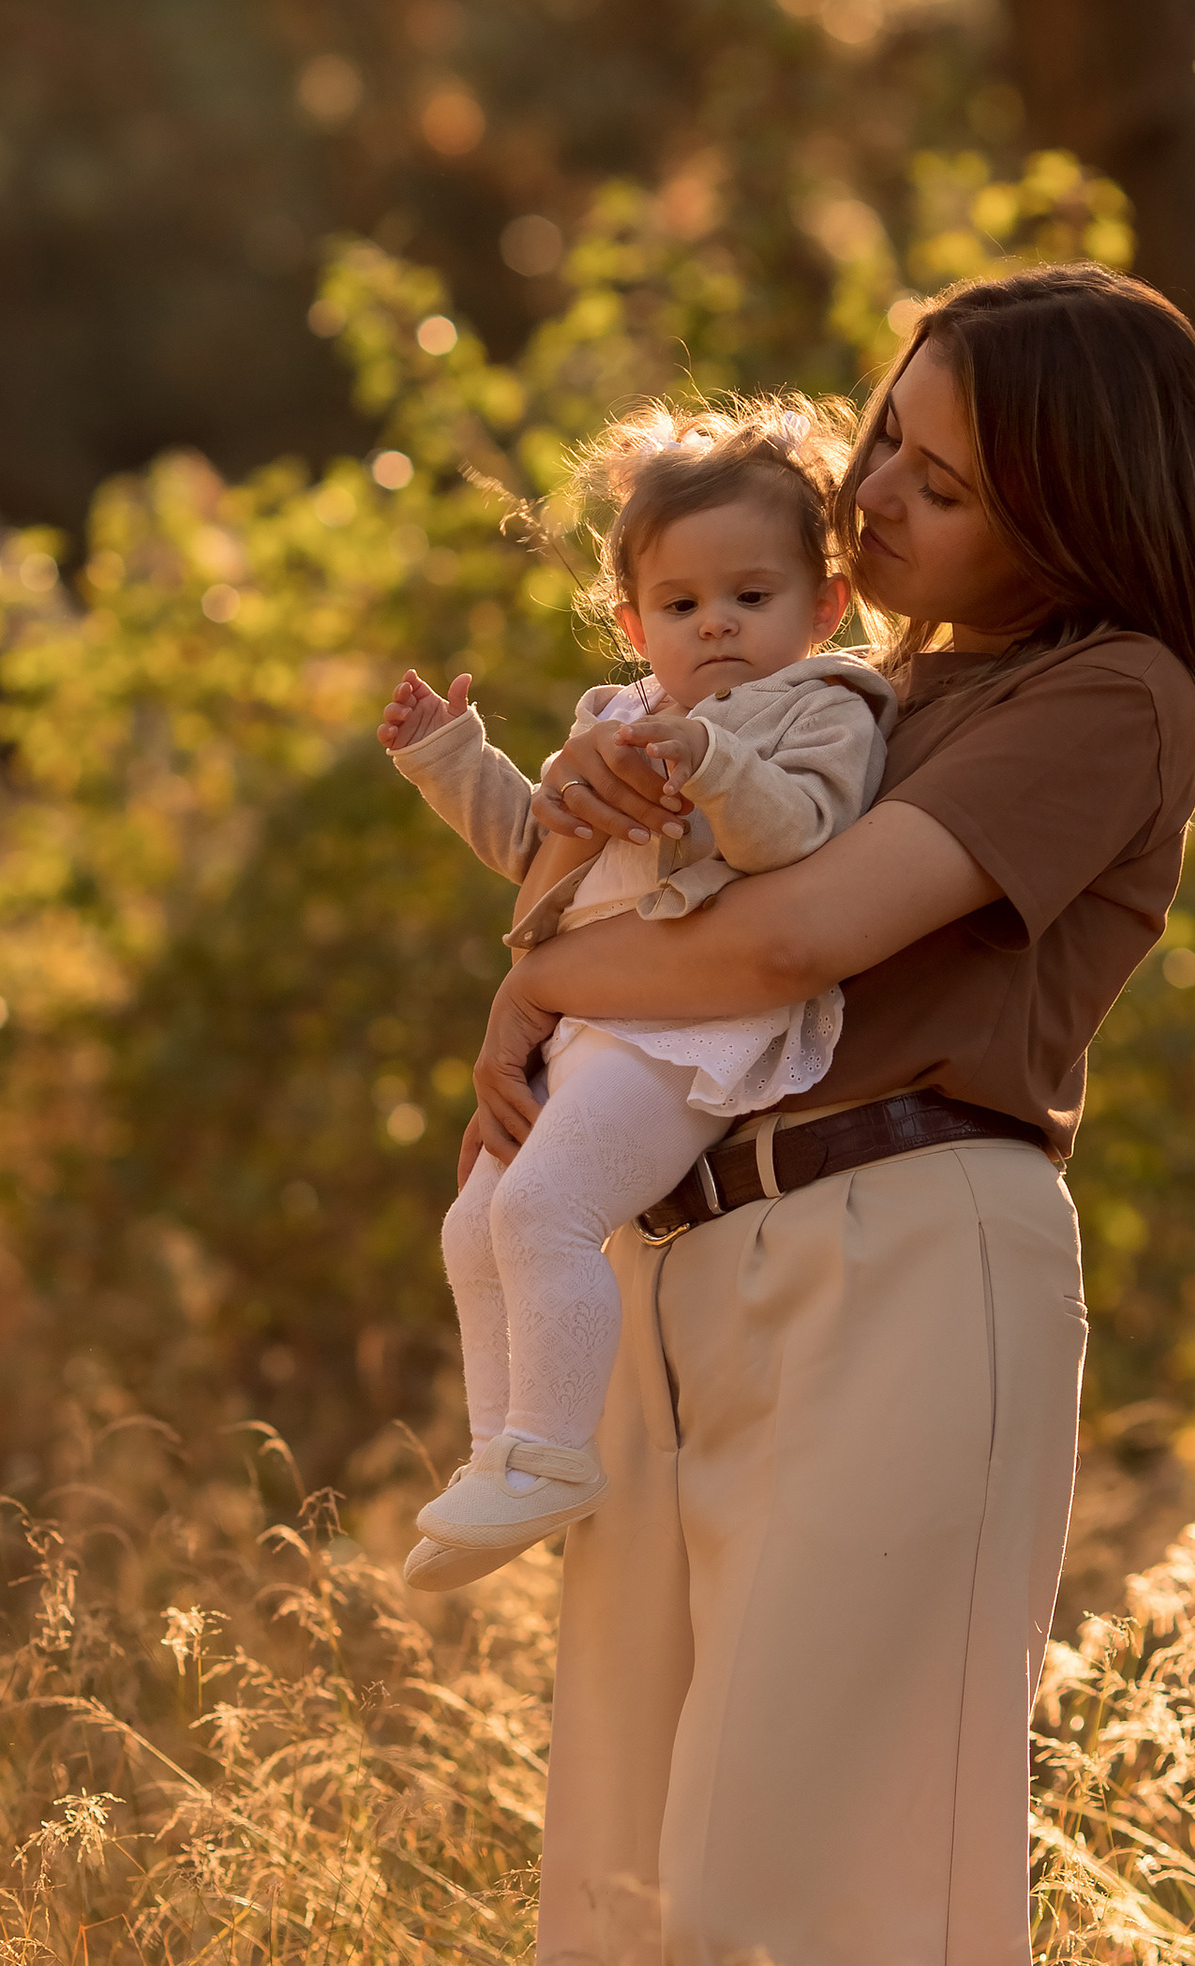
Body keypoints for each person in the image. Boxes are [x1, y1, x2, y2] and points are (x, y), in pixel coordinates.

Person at [465, 262, 1195, 1966]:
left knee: (785, 1932)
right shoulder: (821, 679)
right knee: (606, 1956)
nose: (866, 488)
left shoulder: (1101, 697)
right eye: (878, 442)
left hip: (914, 1254)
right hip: (681, 1284)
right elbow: (616, 906)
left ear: (1063, 499)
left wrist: (530, 972)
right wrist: (549, 898)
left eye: (926, 465)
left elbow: (766, 939)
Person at [379, 402, 896, 1592]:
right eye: (679, 605)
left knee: (544, 1213)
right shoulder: (614, 722)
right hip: (592, 1024)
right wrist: (452, 757)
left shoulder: (821, 708)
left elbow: (794, 836)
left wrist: (716, 762)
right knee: (474, 1223)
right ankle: (501, 1452)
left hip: (696, 1026)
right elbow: (537, 852)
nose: (713, 625)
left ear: (824, 606)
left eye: (750, 597)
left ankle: (553, 1455)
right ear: (632, 623)